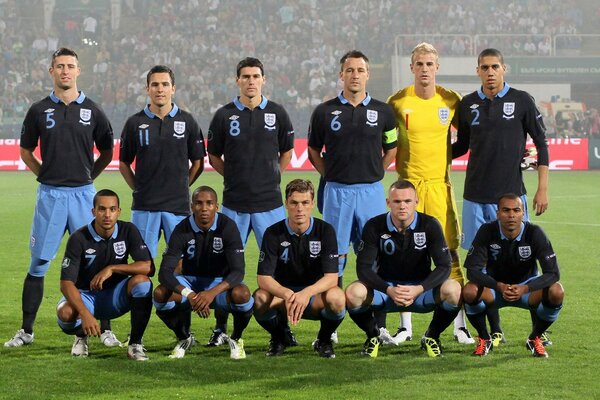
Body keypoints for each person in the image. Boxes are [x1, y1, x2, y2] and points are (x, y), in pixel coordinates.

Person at [5, 48, 115, 348]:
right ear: (51, 71)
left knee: (94, 263)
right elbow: (25, 151)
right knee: (39, 261)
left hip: (83, 196)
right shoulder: (39, 110)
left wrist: (88, 176)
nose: (65, 71)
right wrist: (44, 174)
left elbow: (107, 150)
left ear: (78, 71)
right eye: (60, 66)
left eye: (70, 66)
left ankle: (105, 329)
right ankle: (27, 331)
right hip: (51, 195)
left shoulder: (93, 110)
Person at [453, 48, 550, 347]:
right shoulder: (468, 104)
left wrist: (542, 187)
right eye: (485, 67)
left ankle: (538, 332)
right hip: (475, 197)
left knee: (526, 263)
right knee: (481, 268)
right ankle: (495, 330)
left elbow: (541, 143)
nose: (490, 71)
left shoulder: (521, 100)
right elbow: (461, 147)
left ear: (504, 68)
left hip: (511, 198)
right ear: (478, 71)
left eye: (495, 66)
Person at [385, 43, 473, 346]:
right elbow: (385, 142)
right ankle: (405, 326)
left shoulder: (451, 100)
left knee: (451, 254)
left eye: (430, 64)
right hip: (407, 189)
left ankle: (459, 326)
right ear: (412, 68)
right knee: (403, 254)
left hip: (439, 188)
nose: (424, 69)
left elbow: (468, 137)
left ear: (437, 67)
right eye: (419, 63)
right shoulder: (397, 102)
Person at [206, 57, 295, 347]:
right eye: (245, 76)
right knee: (225, 267)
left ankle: (283, 330)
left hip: (269, 204)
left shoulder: (278, 114)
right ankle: (220, 328)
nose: (251, 81)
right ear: (237, 81)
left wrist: (272, 177)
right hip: (234, 204)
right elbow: (214, 156)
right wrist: (234, 176)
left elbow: (287, 151)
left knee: (280, 269)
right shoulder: (224, 115)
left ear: (264, 80)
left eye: (256, 76)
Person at [308, 49, 397, 287]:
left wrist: (375, 171)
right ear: (341, 75)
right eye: (349, 70)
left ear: (368, 74)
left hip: (371, 191)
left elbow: (391, 149)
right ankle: (333, 318)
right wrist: (329, 174)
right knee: (334, 257)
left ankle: (376, 321)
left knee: (375, 254)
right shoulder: (324, 111)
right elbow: (313, 150)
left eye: (360, 70)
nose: (355, 75)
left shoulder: (384, 111)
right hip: (336, 191)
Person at [345, 180, 461, 358]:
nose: (402, 206)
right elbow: (363, 268)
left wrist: (419, 288)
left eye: (407, 201)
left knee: (454, 290)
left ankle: (431, 336)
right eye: (397, 201)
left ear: (416, 201)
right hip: (385, 292)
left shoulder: (430, 224)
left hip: (420, 291)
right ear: (388, 202)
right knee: (353, 293)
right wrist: (388, 289)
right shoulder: (374, 226)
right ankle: (373, 336)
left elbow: (444, 265)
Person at [153, 186, 254, 359]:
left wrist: (211, 293)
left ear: (217, 206)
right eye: (199, 203)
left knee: (242, 294)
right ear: (192, 206)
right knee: (160, 293)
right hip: (190, 282)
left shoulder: (228, 227)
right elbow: (164, 273)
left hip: (219, 283)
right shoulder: (182, 228)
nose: (204, 208)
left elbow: (238, 271)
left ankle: (236, 338)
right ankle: (184, 337)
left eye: (209, 203)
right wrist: (190, 294)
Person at [56, 189, 153, 360]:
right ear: (93, 212)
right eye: (102, 209)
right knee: (65, 313)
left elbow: (148, 267)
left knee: (143, 283)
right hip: (86, 297)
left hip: (115, 297)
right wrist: (85, 313)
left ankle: (135, 345)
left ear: (119, 211)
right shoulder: (79, 238)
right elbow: (66, 283)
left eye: (112, 209)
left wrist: (112, 268)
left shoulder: (128, 230)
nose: (107, 215)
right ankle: (80, 337)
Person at [119, 64, 205, 258]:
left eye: (165, 84)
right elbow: (124, 163)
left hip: (178, 207)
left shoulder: (188, 121)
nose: (160, 89)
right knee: (142, 265)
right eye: (155, 84)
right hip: (144, 206)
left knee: (181, 264)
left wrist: (182, 185)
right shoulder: (134, 123)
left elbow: (198, 163)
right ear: (147, 88)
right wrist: (138, 188)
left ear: (173, 88)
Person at [462, 194, 564, 358]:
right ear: (498, 213)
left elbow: (553, 273)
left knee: (557, 291)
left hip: (527, 290)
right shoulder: (487, 231)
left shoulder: (534, 233)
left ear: (522, 213)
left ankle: (534, 338)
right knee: (469, 291)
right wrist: (499, 286)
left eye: (516, 210)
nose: (511, 215)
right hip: (496, 289)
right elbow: (472, 271)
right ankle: (484, 338)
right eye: (506, 210)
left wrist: (526, 288)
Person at [254, 179, 345, 358]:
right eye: (294, 203)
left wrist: (306, 293)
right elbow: (263, 278)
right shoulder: (273, 233)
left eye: (304, 203)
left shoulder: (325, 231)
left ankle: (323, 340)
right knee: (259, 299)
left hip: (313, 297)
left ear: (312, 204)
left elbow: (332, 277)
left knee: (337, 298)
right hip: (283, 297)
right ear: (286, 204)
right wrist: (287, 294)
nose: (299, 208)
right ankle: (279, 338)